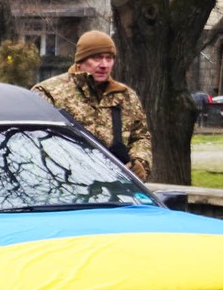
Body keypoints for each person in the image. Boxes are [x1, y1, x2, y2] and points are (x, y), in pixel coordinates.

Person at [34, 31, 153, 179]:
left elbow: (140, 137)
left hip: (116, 185)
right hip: (64, 183)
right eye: (97, 58)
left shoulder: (125, 96)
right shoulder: (49, 93)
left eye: (109, 58)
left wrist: (140, 163)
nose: (104, 65)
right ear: (80, 60)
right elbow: (33, 139)